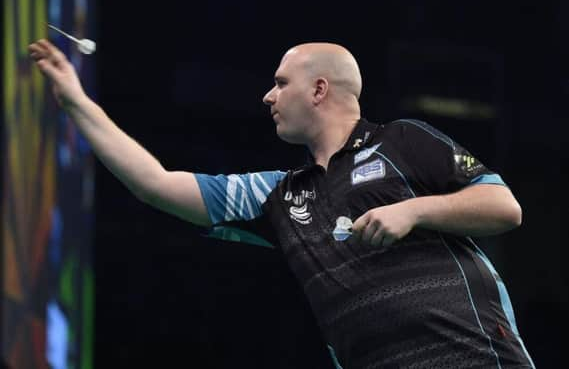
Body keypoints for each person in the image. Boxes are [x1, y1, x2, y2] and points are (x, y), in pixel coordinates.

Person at [29, 39, 535, 368]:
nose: (268, 97)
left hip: (475, 357)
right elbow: (155, 184)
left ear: (319, 89)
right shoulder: (278, 194)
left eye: (280, 83)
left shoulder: (402, 141)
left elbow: (503, 205)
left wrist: (413, 211)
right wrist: (77, 102)